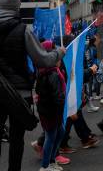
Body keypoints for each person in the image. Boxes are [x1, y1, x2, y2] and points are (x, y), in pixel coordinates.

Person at [0, 0, 65, 171]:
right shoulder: (24, 29)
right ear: (17, 7)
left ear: (0, 5)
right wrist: (59, 52)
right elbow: (43, 60)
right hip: (19, 94)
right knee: (16, 138)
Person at [35, 41, 66, 171]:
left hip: (48, 110)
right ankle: (45, 166)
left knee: (59, 133)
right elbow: (57, 97)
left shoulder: (46, 70)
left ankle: (51, 161)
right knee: (51, 136)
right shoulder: (51, 73)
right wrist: (58, 116)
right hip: (51, 112)